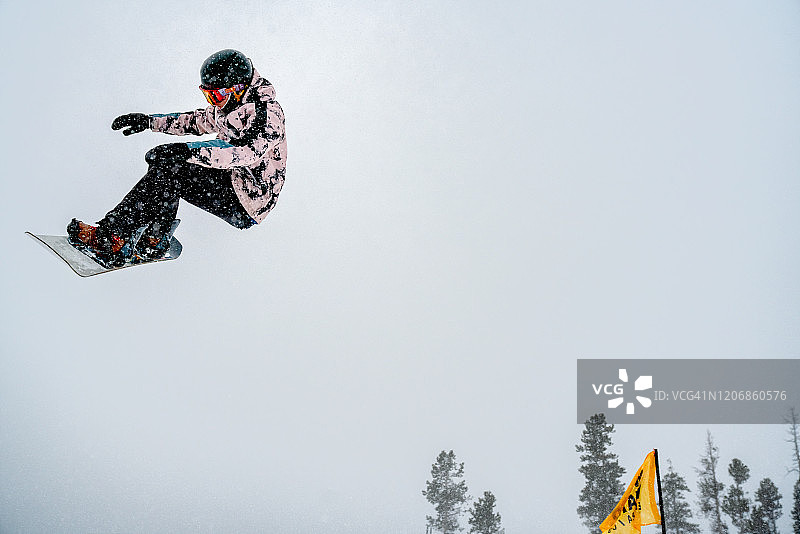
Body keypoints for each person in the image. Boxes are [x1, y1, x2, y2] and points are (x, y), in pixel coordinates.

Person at [67, 49, 287, 266]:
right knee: (165, 165)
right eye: (208, 95)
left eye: (216, 95)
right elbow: (196, 121)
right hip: (230, 179)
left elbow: (244, 152)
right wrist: (150, 122)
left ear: (237, 89)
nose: (213, 102)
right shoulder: (230, 105)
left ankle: (112, 238)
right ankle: (154, 238)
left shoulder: (266, 113)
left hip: (248, 199)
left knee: (174, 167)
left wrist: (188, 151)